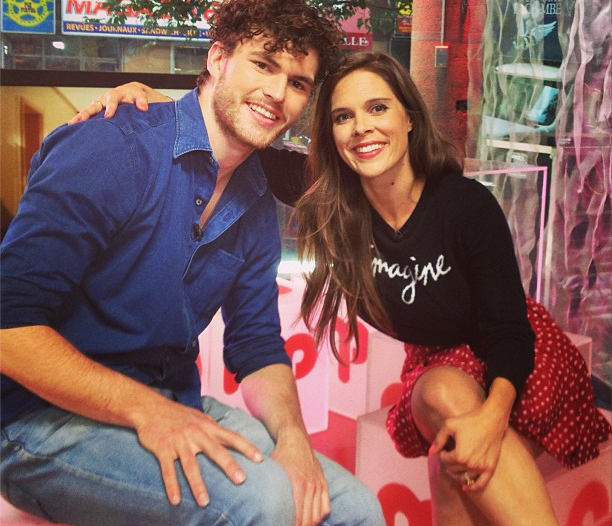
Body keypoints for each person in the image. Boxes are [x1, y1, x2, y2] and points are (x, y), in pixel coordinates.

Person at [87, 51, 611, 526]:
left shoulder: (464, 205)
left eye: (378, 108)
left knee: (454, 437)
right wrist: (156, 101)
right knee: (446, 404)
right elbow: (236, 132)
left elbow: (509, 332)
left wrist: (493, 417)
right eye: (343, 116)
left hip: (517, 366)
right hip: (438, 367)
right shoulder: (334, 203)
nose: (362, 127)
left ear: (409, 117)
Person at [0, 1, 386, 524]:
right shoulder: (112, 146)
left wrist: (294, 440)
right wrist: (148, 410)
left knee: (355, 510)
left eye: (297, 83)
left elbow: (256, 345)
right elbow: (8, 326)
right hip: (36, 417)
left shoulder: (255, 195)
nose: (278, 93)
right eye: (263, 64)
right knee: (262, 502)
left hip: (172, 399)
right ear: (219, 58)